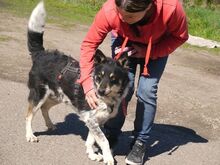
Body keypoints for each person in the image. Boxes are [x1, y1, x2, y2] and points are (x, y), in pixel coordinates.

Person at [79, 0, 188, 164]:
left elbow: (180, 36)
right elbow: (89, 45)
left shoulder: (171, 8)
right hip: (124, 43)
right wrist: (87, 85)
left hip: (157, 45)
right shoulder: (109, 10)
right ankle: (111, 133)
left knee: (147, 90)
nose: (123, 19)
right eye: (119, 13)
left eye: (129, 16)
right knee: (121, 91)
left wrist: (151, 52)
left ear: (149, 7)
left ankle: (140, 142)